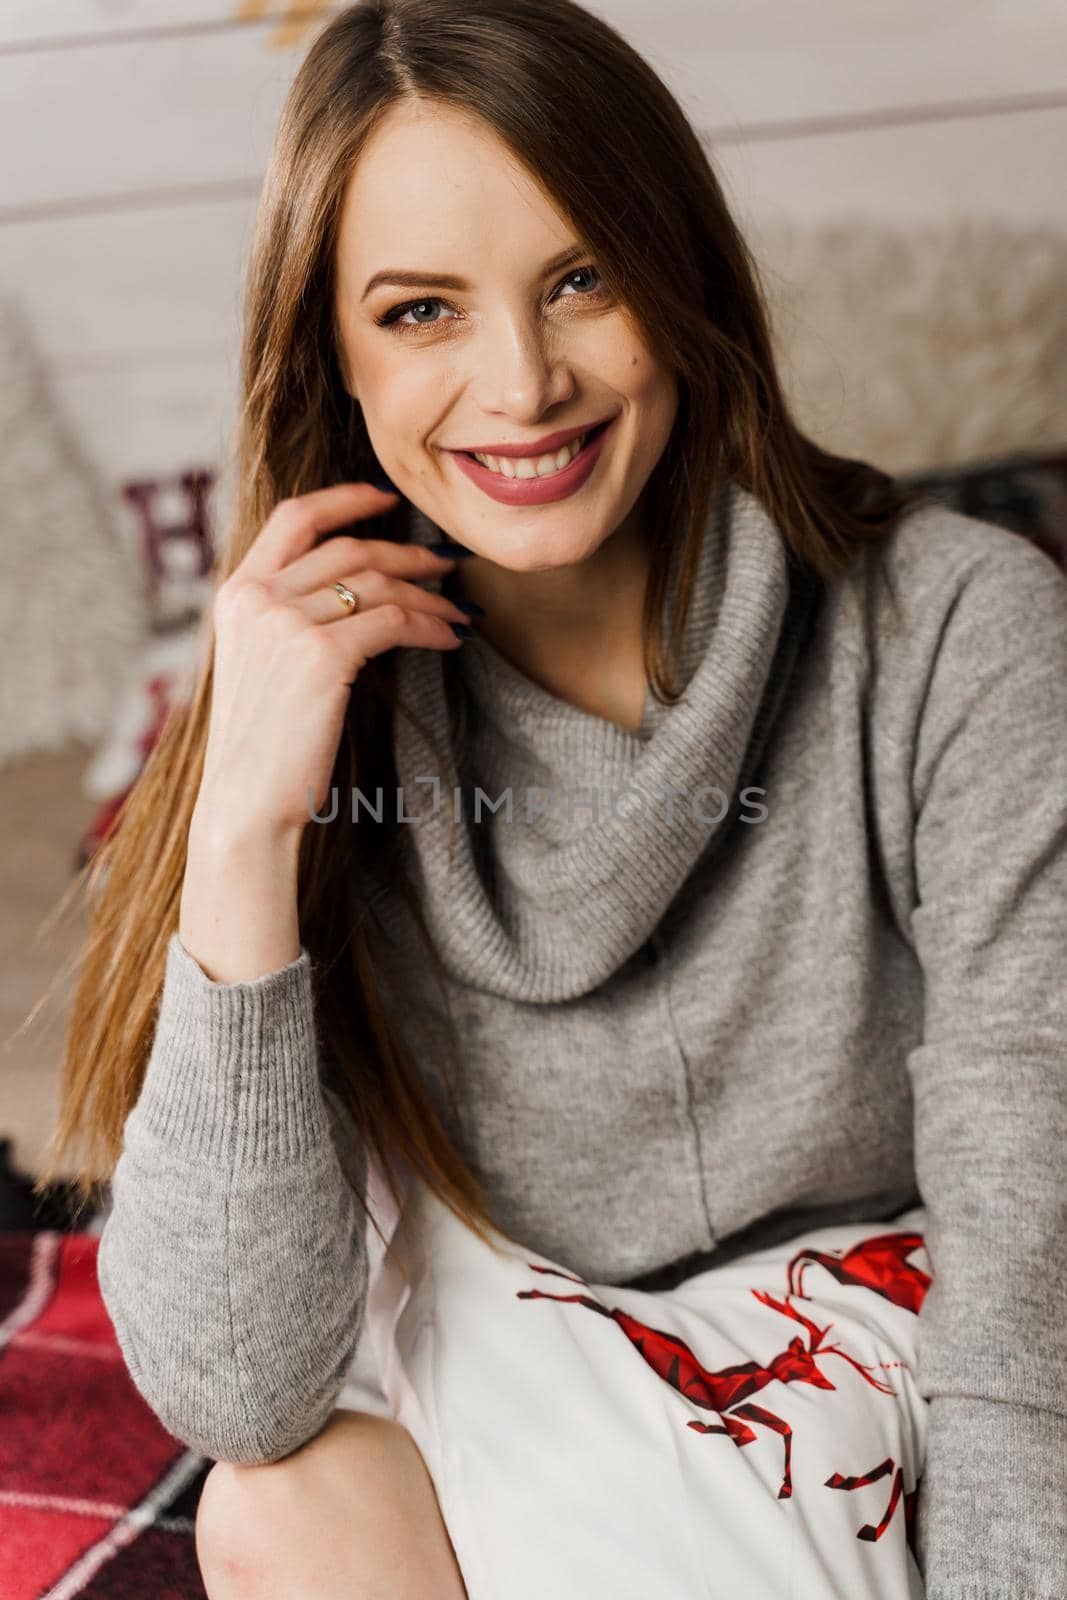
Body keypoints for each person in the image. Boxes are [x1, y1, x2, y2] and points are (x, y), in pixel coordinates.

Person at [44, 1, 1067, 1596]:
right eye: (421, 310)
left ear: (679, 276)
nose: (521, 385)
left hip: (930, 1364)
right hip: (556, 1388)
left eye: (580, 277)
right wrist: (242, 826)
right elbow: (238, 1391)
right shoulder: (318, 715)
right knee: (278, 1506)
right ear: (333, 352)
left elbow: (1030, 1218)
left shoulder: (960, 633)